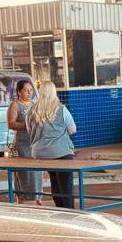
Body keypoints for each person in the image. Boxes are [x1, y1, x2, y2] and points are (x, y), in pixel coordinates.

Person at [27, 80, 79, 209]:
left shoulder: (31, 110)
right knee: (65, 184)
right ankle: (69, 211)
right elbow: (72, 130)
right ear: (53, 92)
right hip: (60, 152)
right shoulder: (61, 108)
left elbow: (29, 130)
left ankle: (59, 209)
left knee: (55, 180)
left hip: (40, 153)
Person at [6, 79, 44, 205]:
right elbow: (11, 124)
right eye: (26, 90)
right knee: (24, 172)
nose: (29, 93)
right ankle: (21, 198)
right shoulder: (15, 105)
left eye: (31, 90)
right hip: (22, 144)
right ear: (19, 91)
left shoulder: (34, 104)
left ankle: (38, 197)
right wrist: (26, 125)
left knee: (37, 171)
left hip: (35, 143)